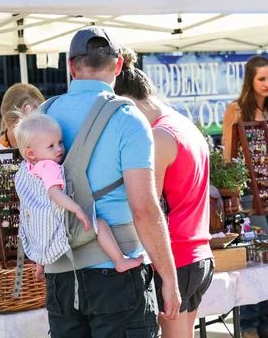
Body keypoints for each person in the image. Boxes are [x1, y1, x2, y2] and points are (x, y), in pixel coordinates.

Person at [43, 26, 180, 337]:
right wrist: (169, 277)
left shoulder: (44, 113)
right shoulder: (128, 119)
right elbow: (144, 208)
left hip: (62, 274)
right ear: (119, 66)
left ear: (70, 66)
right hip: (119, 268)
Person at [114, 48, 213, 338]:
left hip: (175, 258)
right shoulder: (183, 125)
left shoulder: (157, 137)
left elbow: (147, 207)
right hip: (197, 256)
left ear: (128, 104)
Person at [13, 113, 144, 280]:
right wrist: (77, 209)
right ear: (31, 153)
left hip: (37, 233)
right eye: (51, 146)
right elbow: (54, 193)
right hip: (57, 228)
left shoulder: (25, 169)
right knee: (101, 224)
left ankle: (40, 267)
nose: (59, 148)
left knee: (38, 224)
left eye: (60, 142)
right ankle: (119, 260)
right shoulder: (49, 167)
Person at [222, 55, 268, 338]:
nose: (267, 84)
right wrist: (232, 192)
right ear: (250, 80)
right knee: (255, 255)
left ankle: (263, 323)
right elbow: (227, 155)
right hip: (249, 192)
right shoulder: (235, 109)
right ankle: (248, 324)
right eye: (261, 79)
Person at [0, 83, 44, 181]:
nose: (30, 128)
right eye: (23, 121)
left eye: (35, 121)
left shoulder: (48, 148)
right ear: (8, 118)